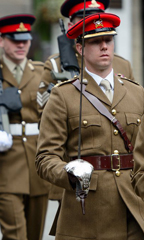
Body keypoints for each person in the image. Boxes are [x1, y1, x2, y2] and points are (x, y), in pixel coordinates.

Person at [36, 13, 144, 239]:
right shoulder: (63, 96)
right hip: (87, 212)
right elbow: (45, 158)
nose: (104, 46)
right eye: (95, 41)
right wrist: (69, 171)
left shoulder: (137, 94)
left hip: (132, 207)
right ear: (80, 48)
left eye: (108, 40)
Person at [0, 14, 50, 240]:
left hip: (37, 163)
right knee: (15, 234)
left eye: (25, 39)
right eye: (15, 40)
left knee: (35, 234)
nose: (22, 45)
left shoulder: (42, 72)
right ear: (1, 41)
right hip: (5, 164)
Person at [37, 0, 134, 117]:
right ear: (71, 27)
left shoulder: (123, 65)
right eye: (85, 19)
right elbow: (46, 116)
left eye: (98, 20)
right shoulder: (55, 65)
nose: (93, 23)